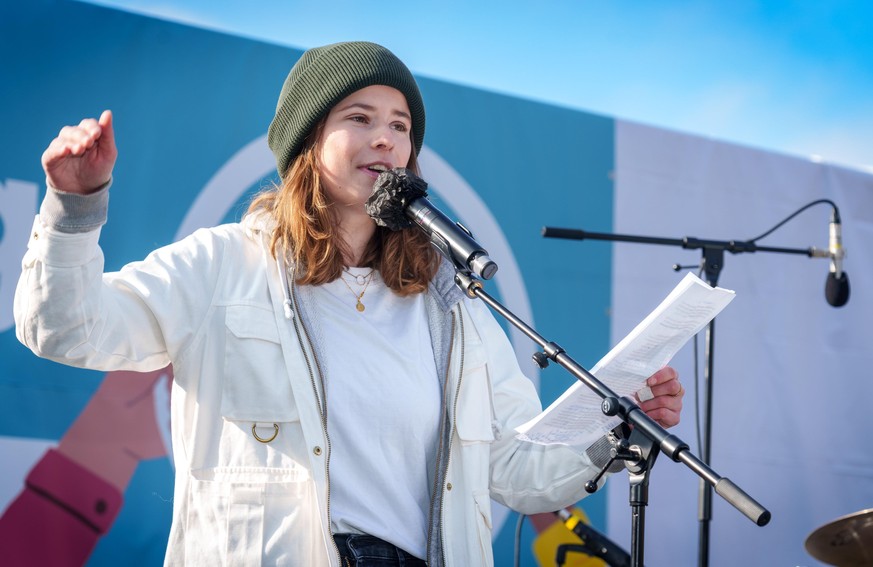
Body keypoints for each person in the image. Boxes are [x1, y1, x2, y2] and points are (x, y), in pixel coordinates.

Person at [14, 41, 684, 566]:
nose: (386, 137)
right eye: (358, 117)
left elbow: (514, 467)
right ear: (308, 142)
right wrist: (75, 209)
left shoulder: (452, 304)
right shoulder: (221, 263)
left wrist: (611, 434)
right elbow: (66, 328)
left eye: (399, 124)